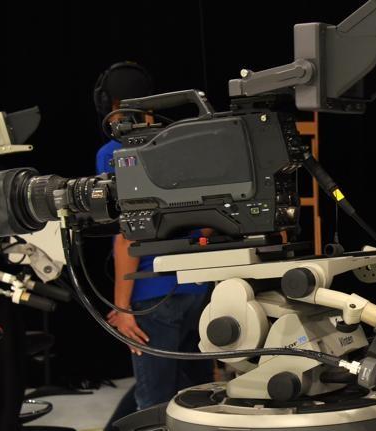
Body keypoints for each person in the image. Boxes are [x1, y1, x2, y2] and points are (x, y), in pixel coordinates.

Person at [93, 62, 213, 421]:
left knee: (155, 404)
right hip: (197, 289)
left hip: (149, 297)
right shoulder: (180, 142)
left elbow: (127, 233)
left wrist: (122, 306)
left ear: (111, 105)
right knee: (198, 399)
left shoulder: (112, 152)